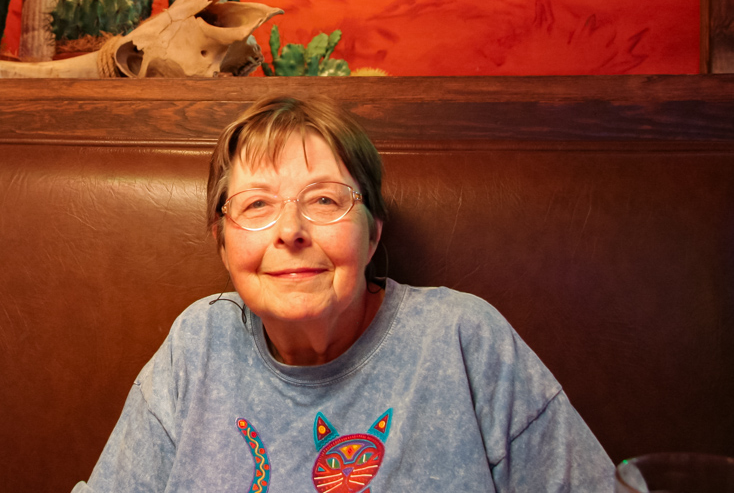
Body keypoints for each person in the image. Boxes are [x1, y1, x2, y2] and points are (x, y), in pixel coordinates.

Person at [72, 95, 613, 492]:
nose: (290, 230)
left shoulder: (463, 338)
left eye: (325, 200)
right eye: (256, 205)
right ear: (222, 242)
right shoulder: (198, 344)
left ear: (373, 232)